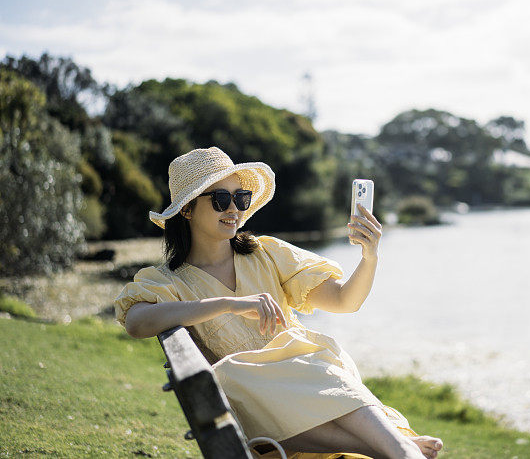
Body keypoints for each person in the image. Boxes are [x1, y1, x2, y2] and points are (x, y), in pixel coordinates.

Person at [112, 146, 443, 459]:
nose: (234, 208)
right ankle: (398, 447)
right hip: (264, 410)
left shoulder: (266, 253)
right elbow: (137, 322)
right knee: (232, 373)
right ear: (186, 209)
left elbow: (344, 301)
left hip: (312, 381)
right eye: (220, 199)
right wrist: (228, 303)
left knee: (294, 361)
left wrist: (369, 257)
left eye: (240, 197)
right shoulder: (169, 281)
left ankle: (399, 450)